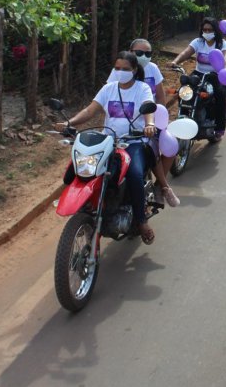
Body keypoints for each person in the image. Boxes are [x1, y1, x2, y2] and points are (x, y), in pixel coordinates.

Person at [57, 51, 158, 244]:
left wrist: (150, 124)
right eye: (117, 68)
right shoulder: (108, 88)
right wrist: (70, 123)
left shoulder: (142, 88)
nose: (120, 72)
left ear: (134, 70)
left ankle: (141, 220)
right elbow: (89, 110)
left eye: (125, 69)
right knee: (78, 169)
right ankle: (87, 208)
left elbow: (148, 106)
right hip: (107, 142)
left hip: (132, 142)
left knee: (135, 174)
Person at [108, 39, 179, 208]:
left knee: (166, 147)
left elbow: (160, 97)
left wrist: (158, 121)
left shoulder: (152, 69)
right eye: (139, 53)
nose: (144, 56)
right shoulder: (118, 73)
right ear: (130, 52)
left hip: (149, 121)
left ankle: (161, 186)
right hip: (125, 122)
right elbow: (108, 98)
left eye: (148, 53)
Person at [171, 17, 226, 140]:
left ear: (215, 30)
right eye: (205, 30)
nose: (207, 32)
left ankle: (219, 128)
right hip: (198, 73)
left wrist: (224, 70)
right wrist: (175, 62)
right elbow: (186, 52)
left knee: (220, 95)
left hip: (214, 75)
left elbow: (225, 58)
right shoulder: (198, 42)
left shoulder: (222, 43)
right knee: (183, 91)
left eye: (210, 30)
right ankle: (183, 117)